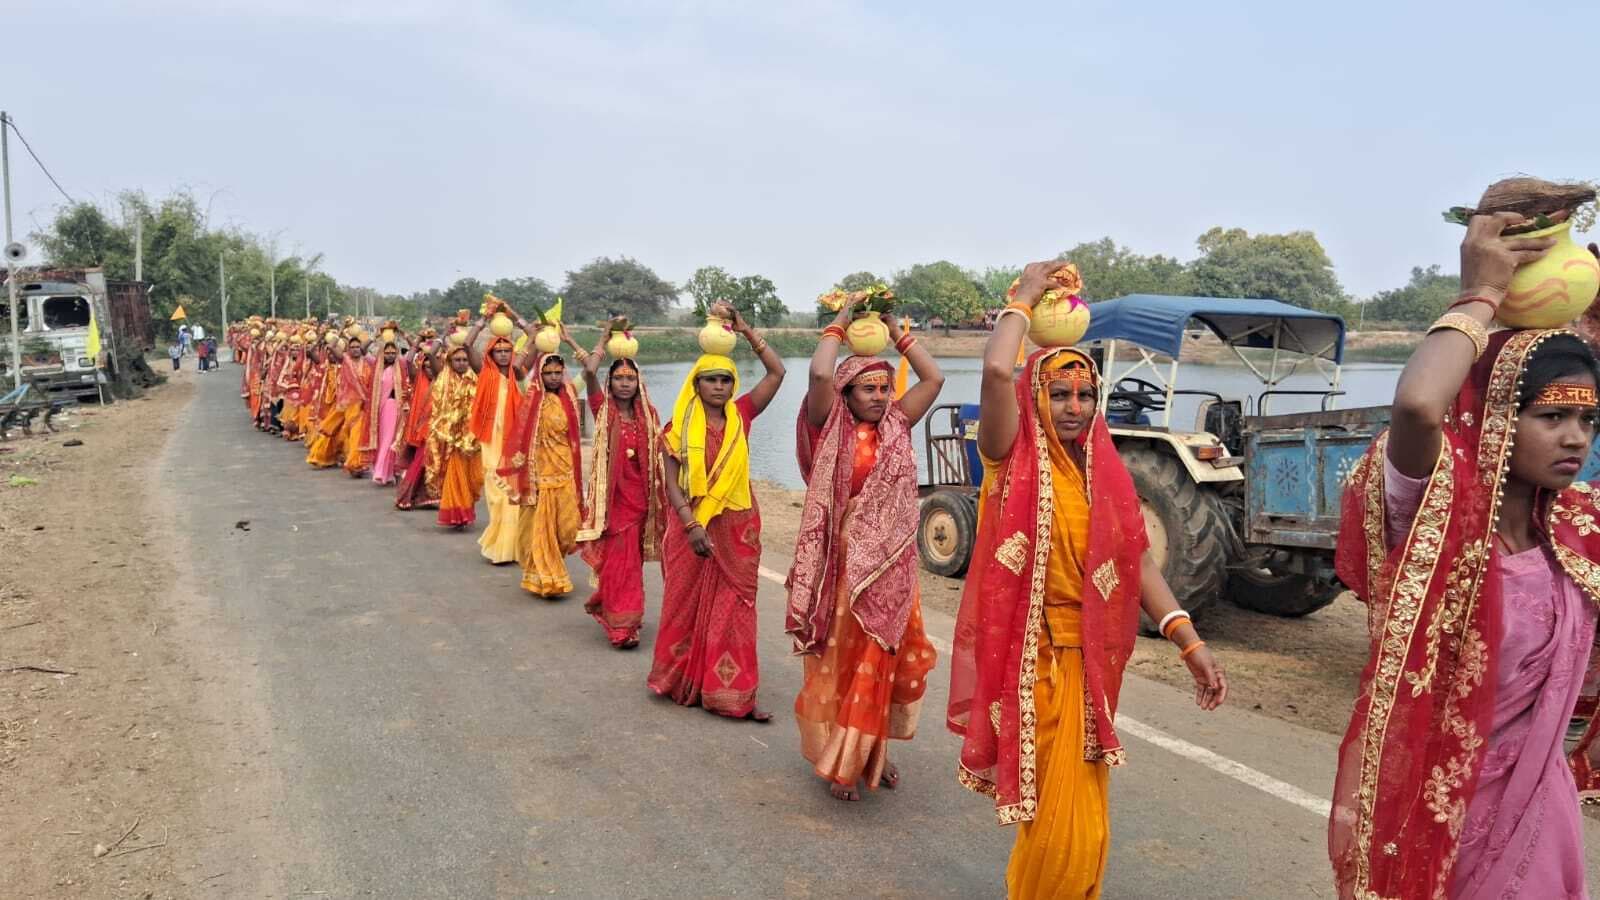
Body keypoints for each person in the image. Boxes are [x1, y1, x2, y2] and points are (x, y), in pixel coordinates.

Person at [1330, 212, 1600, 900]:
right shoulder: (1429, 517)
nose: (1576, 438)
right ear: (1500, 416)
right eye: (1553, 417)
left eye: (1588, 420)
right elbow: (1419, 406)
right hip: (1443, 817)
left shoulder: (1577, 529)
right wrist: (1480, 293)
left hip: (1541, 812)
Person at [948, 261, 1226, 899]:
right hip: (1034, 667)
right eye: (1058, 394)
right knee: (1053, 826)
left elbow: (1139, 563)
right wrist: (1021, 299)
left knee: (1087, 828)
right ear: (1035, 397)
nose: (1073, 407)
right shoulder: (1009, 462)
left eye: (1084, 394)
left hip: (1090, 670)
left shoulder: (1106, 477)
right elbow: (995, 370)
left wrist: (1190, 642)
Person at [787, 298, 945, 801]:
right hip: (845, 569)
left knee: (882, 659)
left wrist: (897, 331)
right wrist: (843, 319)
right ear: (845, 394)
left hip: (893, 570)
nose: (879, 397)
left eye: (884, 388)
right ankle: (844, 755)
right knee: (845, 658)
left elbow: (934, 378)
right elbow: (817, 374)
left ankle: (871, 752)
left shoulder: (897, 424)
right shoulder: (825, 423)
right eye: (868, 389)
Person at [648, 303, 785, 721]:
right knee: (683, 603)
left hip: (737, 526)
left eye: (727, 380)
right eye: (712, 380)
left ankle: (734, 693)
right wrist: (691, 525)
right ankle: (679, 680)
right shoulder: (677, 427)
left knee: (737, 608)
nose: (721, 387)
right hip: (690, 526)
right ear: (696, 383)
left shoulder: (741, 415)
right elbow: (670, 482)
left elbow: (777, 373)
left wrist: (746, 329)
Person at [575, 318, 665, 648]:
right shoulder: (602, 411)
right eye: (618, 379)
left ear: (638, 382)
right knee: (618, 564)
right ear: (609, 383)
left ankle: (624, 615)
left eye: (630, 378)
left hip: (640, 502)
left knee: (632, 566)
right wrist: (604, 335)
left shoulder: (649, 415)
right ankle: (621, 626)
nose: (624, 384)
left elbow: (660, 454)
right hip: (612, 504)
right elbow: (588, 372)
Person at [502, 337, 585, 598]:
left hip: (566, 470)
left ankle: (553, 563)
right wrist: (535, 340)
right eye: (547, 373)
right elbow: (515, 369)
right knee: (540, 529)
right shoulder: (532, 394)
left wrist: (573, 341)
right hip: (539, 474)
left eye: (557, 373)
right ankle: (545, 577)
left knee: (567, 529)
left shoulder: (571, 393)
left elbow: (590, 370)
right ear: (540, 375)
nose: (553, 377)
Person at [466, 307, 539, 563]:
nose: (504, 355)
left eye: (508, 350)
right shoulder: (483, 372)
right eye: (499, 351)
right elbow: (466, 343)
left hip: (515, 440)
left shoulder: (518, 371)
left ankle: (513, 547)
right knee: (497, 494)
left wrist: (512, 314)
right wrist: (483, 319)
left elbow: (533, 334)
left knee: (514, 493)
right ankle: (500, 544)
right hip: (491, 440)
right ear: (491, 353)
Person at [427, 339, 483, 529]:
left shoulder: (474, 377)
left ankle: (465, 510)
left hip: (470, 438)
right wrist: (439, 338)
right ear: (450, 361)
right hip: (449, 438)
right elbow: (430, 354)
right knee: (455, 476)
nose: (462, 363)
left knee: (472, 479)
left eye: (465, 360)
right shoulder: (442, 375)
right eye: (457, 360)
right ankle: (458, 513)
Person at [395, 332, 441, 511]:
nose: (429, 369)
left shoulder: (442, 381)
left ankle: (425, 497)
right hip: (422, 432)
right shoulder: (418, 378)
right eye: (426, 366)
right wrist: (418, 342)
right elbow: (407, 361)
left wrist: (441, 339)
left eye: (432, 366)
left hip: (438, 430)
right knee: (420, 463)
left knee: (431, 465)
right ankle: (404, 496)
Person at [364, 327, 411, 486]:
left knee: (393, 440)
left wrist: (403, 334)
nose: (390, 355)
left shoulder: (401, 363)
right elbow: (363, 350)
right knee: (385, 439)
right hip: (381, 410)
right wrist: (376, 336)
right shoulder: (375, 365)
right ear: (383, 353)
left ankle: (387, 472)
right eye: (387, 352)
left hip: (396, 408)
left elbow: (414, 351)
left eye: (393, 353)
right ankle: (384, 472)